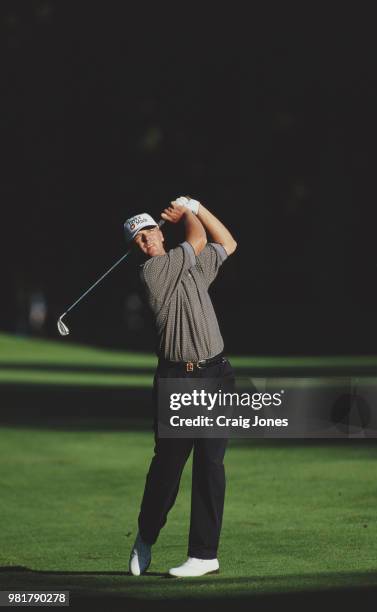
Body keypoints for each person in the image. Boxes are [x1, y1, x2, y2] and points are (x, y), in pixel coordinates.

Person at [124, 196, 237, 577]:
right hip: (178, 379)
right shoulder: (153, 272)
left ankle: (204, 555)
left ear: (160, 232)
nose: (146, 241)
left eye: (149, 232)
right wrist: (187, 212)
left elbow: (227, 242)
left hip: (216, 375)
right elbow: (199, 239)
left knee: (211, 463)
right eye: (138, 239)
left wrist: (199, 206)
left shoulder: (191, 268)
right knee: (168, 468)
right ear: (136, 249)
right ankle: (147, 533)